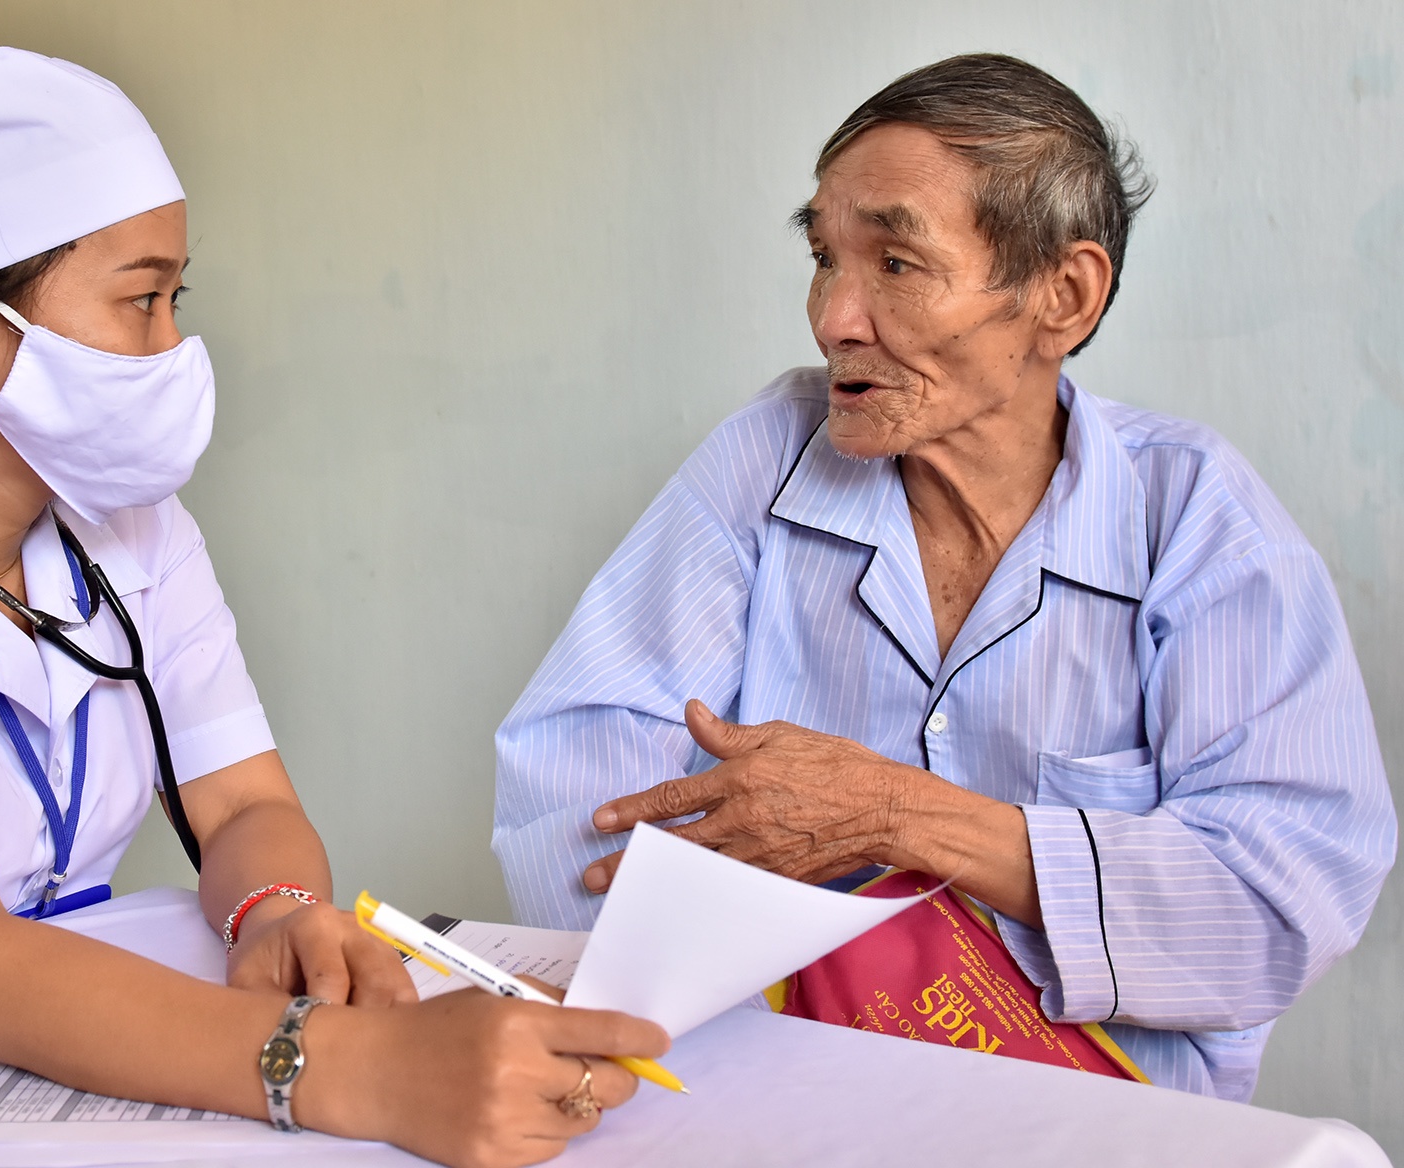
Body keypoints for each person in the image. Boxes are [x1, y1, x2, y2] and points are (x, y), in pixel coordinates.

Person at [0, 45, 664, 1167]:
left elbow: (245, 802)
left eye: (176, 296)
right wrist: (364, 1070)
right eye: (140, 299)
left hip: (15, 1086)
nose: (175, 349)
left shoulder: (126, 525)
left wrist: (280, 908)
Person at [493, 53, 1396, 1101]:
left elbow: (1279, 902)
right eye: (825, 257)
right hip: (778, 1099)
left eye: (896, 264)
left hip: (1104, 1123)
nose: (835, 315)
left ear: (1064, 294)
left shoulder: (1195, 520)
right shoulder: (767, 454)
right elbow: (577, 785)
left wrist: (898, 818)